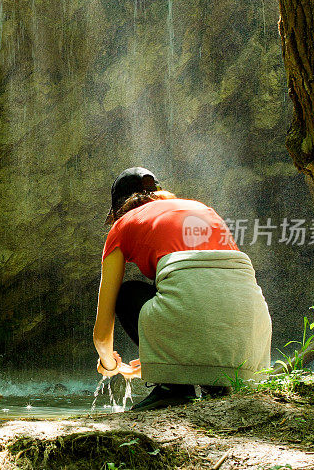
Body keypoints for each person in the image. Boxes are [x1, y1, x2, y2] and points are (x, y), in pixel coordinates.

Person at [93, 167, 272, 411]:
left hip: (201, 319)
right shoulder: (202, 210)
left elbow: (102, 335)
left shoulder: (122, 226)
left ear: (119, 208)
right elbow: (217, 289)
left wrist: (110, 365)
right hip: (252, 336)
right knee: (183, 284)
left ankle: (173, 387)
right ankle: (219, 386)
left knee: (127, 294)